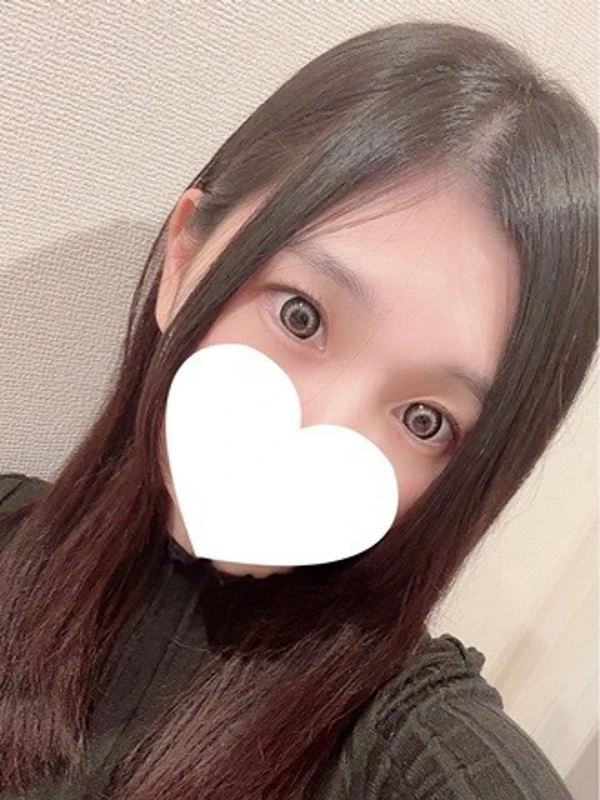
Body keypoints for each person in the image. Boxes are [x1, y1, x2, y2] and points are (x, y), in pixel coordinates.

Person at [0, 19, 596, 800]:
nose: (321, 434)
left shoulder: (401, 737)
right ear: (185, 259)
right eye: (300, 315)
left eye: (425, 420)